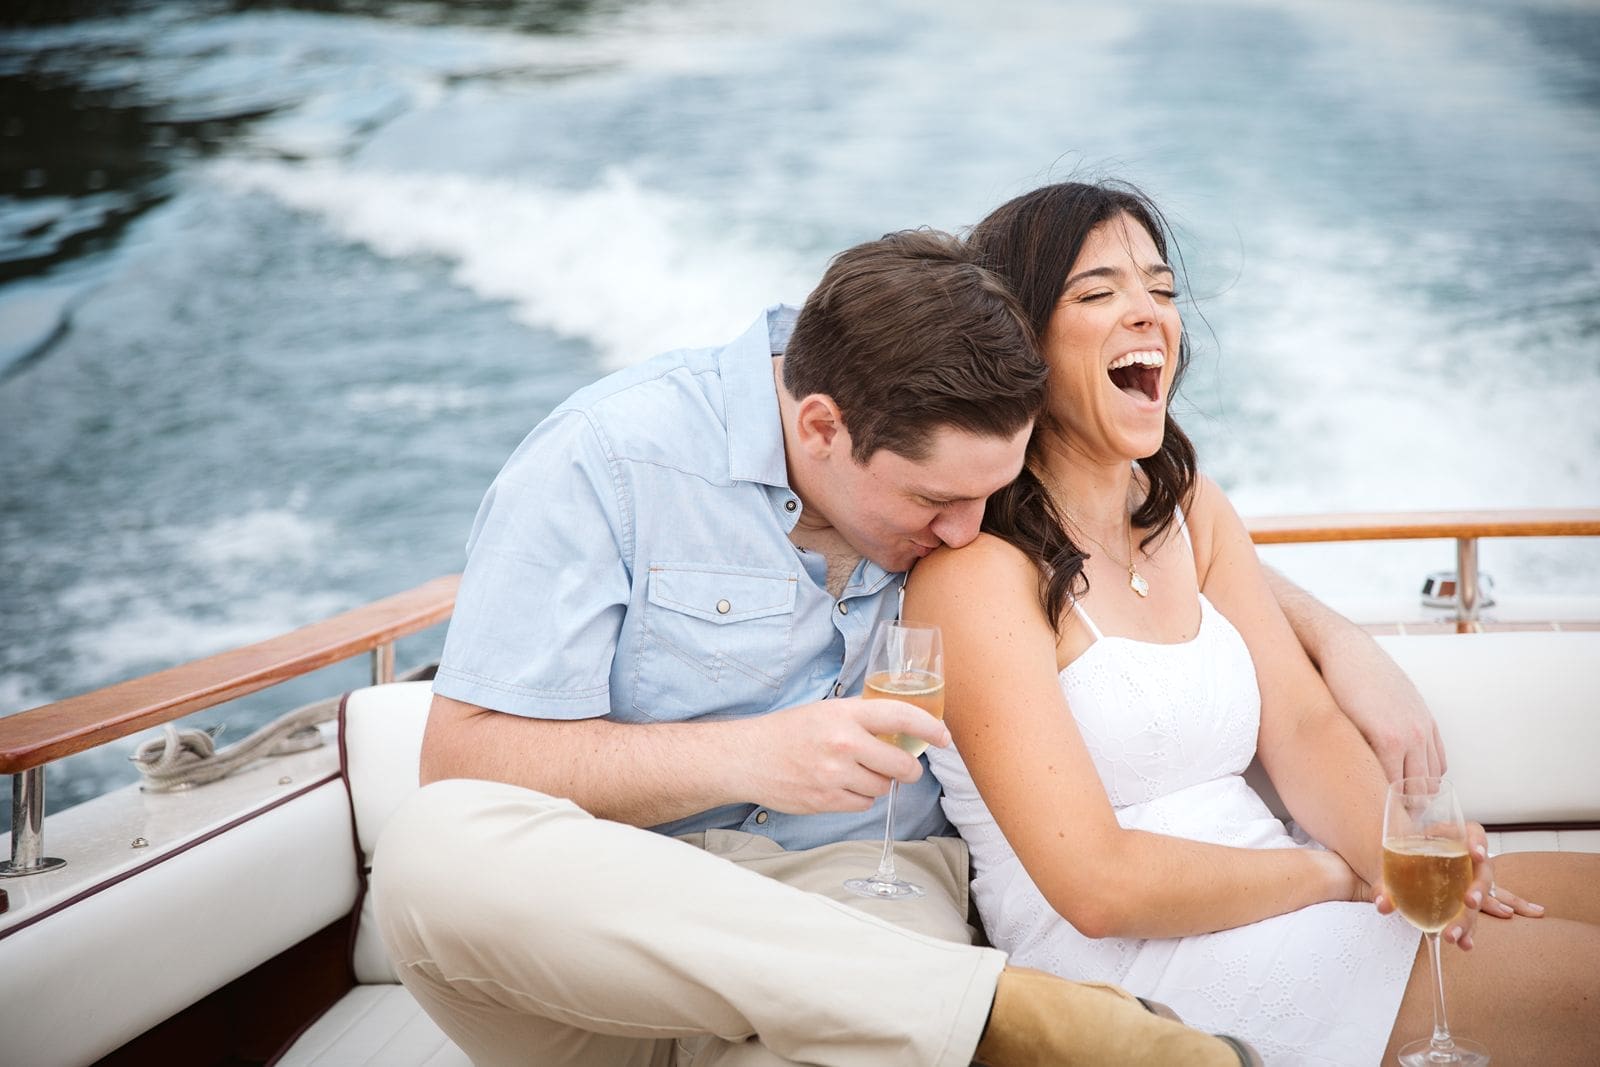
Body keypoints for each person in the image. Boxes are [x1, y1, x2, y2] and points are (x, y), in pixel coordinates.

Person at [373, 228, 1258, 1067]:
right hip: (611, 918)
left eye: (990, 496)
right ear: (822, 427)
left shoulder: (962, 430)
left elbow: (1164, 542)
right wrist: (750, 755)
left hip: (868, 897)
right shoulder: (605, 458)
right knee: (429, 851)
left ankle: (936, 1006)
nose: (967, 536)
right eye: (932, 502)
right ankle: (997, 1013)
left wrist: (1333, 638)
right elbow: (463, 758)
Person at [908, 180, 1600, 1065]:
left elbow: (1305, 725)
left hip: (1283, 891)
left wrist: (1397, 856)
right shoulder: (979, 575)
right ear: (1021, 341)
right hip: (1135, 969)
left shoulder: (1189, 510)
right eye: (1099, 293)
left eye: (1160, 290)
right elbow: (1097, 885)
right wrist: (1332, 876)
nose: (1148, 314)